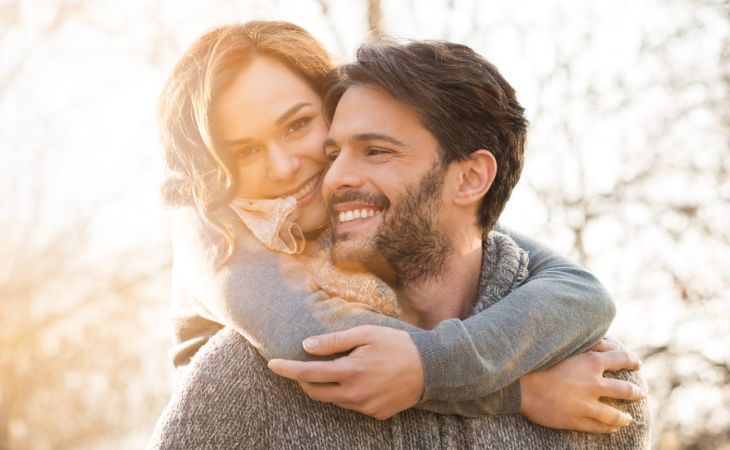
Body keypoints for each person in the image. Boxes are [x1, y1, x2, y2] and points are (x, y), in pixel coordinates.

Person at [150, 21, 646, 443]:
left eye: (298, 125)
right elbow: (323, 350)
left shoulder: (362, 203)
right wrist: (522, 393)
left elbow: (579, 291)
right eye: (246, 151)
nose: (284, 165)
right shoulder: (214, 228)